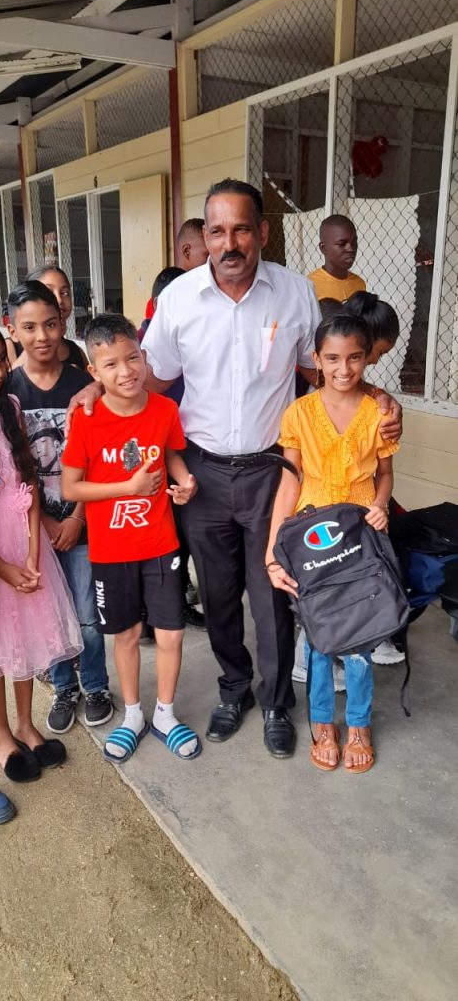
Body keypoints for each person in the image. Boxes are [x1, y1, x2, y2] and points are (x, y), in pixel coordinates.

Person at [65, 178, 402, 760]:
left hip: (274, 471)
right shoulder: (180, 299)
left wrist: (377, 394)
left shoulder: (294, 293)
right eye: (217, 231)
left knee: (272, 592)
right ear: (206, 236)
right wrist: (96, 388)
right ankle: (234, 689)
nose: (229, 243)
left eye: (241, 229)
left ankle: (275, 702)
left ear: (262, 233)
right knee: (217, 593)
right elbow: (150, 375)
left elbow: (327, 368)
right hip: (201, 471)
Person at [61, 314, 201, 764]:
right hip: (111, 551)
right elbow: (70, 488)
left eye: (133, 358)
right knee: (126, 634)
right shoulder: (86, 419)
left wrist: (184, 481)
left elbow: (172, 452)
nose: (126, 371)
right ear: (94, 372)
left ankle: (165, 715)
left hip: (161, 544)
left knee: (171, 633)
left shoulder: (164, 410)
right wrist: (128, 488)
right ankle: (134, 716)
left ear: (143, 355)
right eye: (111, 364)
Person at [266, 314, 399, 773]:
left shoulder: (379, 412)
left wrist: (380, 504)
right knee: (318, 636)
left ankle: (359, 724)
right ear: (317, 360)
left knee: (362, 637)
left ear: (367, 358)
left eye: (355, 357)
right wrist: (272, 552)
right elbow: (289, 482)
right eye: (333, 358)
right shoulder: (299, 413)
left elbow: (385, 473)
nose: (344, 369)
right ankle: (323, 721)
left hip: (362, 535)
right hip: (313, 538)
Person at [7, 281, 112, 735]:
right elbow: (14, 468)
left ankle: (96, 685)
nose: (42, 336)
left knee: (87, 615)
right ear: (12, 330)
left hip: (82, 523)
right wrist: (46, 522)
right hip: (34, 528)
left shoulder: (84, 385)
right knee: (51, 613)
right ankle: (64, 687)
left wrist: (76, 517)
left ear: (63, 322)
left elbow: (98, 460)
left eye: (50, 324)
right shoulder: (9, 392)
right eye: (29, 327)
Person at [0, 328, 83, 796]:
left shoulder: (10, 407)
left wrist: (32, 552)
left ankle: (26, 724)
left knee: (25, 635)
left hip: (23, 540)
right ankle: (1, 735)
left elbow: (26, 481)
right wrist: (3, 568)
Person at [140, 267, 205, 630]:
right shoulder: (143, 346)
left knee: (179, 534)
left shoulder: (198, 331)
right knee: (156, 535)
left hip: (185, 448)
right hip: (153, 452)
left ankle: (175, 601)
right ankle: (150, 613)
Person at [6, 266, 88, 371]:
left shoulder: (76, 351)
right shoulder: (10, 348)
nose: (59, 300)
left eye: (64, 293)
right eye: (48, 292)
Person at [308, 216, 366, 303]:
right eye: (342, 244)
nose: (350, 249)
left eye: (354, 242)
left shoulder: (359, 284)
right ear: (324, 248)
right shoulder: (310, 286)